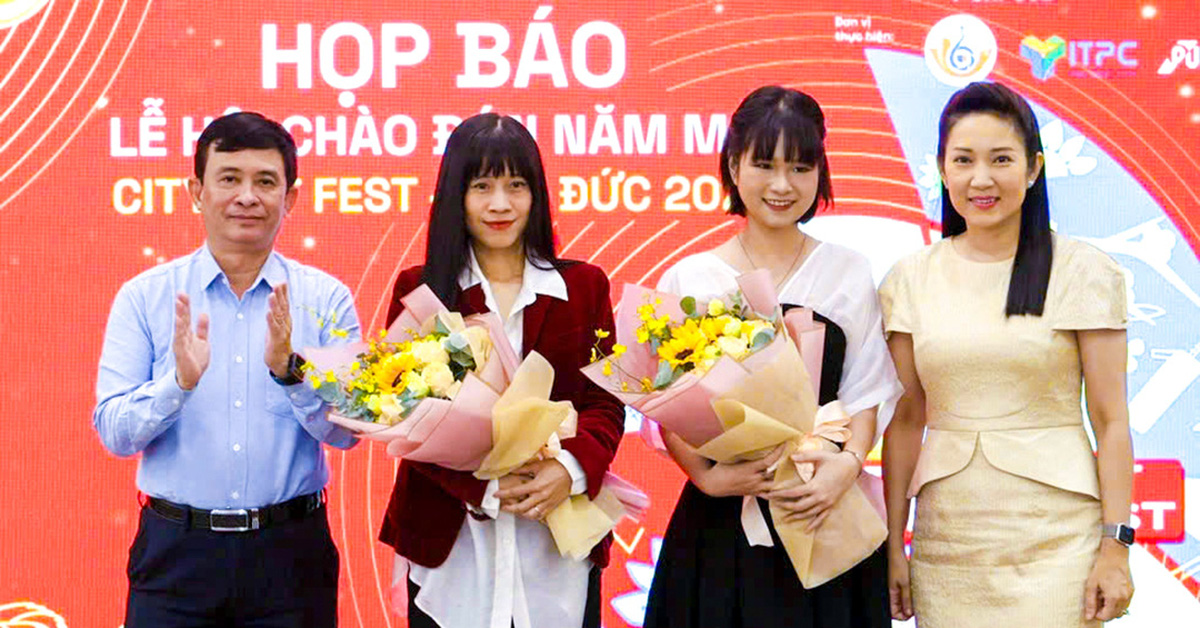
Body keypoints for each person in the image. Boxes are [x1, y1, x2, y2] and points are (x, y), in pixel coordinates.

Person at [642, 85, 902, 628]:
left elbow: (867, 391)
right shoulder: (691, 278)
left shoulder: (847, 271)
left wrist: (847, 466)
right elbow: (663, 405)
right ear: (734, 166)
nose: (782, 185)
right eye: (764, 164)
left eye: (800, 167)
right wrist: (707, 478)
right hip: (721, 524)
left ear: (819, 173)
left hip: (824, 514)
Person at [879, 81, 1135, 627]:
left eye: (1001, 160)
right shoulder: (910, 279)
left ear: (1034, 168)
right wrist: (891, 546)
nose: (981, 179)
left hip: (1058, 543)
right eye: (963, 160)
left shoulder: (1083, 270)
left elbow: (1111, 420)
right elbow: (905, 421)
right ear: (942, 170)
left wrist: (1116, 546)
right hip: (948, 544)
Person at [92, 112, 361, 627]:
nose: (247, 196)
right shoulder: (146, 296)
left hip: (290, 554)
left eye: (265, 181)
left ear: (291, 198)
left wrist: (292, 374)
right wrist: (178, 384)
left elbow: (347, 434)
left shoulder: (325, 299)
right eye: (229, 179)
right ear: (197, 191)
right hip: (176, 554)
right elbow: (115, 435)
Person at [378, 112, 625, 628]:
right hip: (452, 548)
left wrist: (570, 470)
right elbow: (403, 415)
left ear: (536, 195)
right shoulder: (421, 290)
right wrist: (486, 488)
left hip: (557, 546)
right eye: (482, 186)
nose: (500, 204)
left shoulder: (584, 288)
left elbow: (605, 403)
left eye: (516, 185)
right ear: (456, 196)